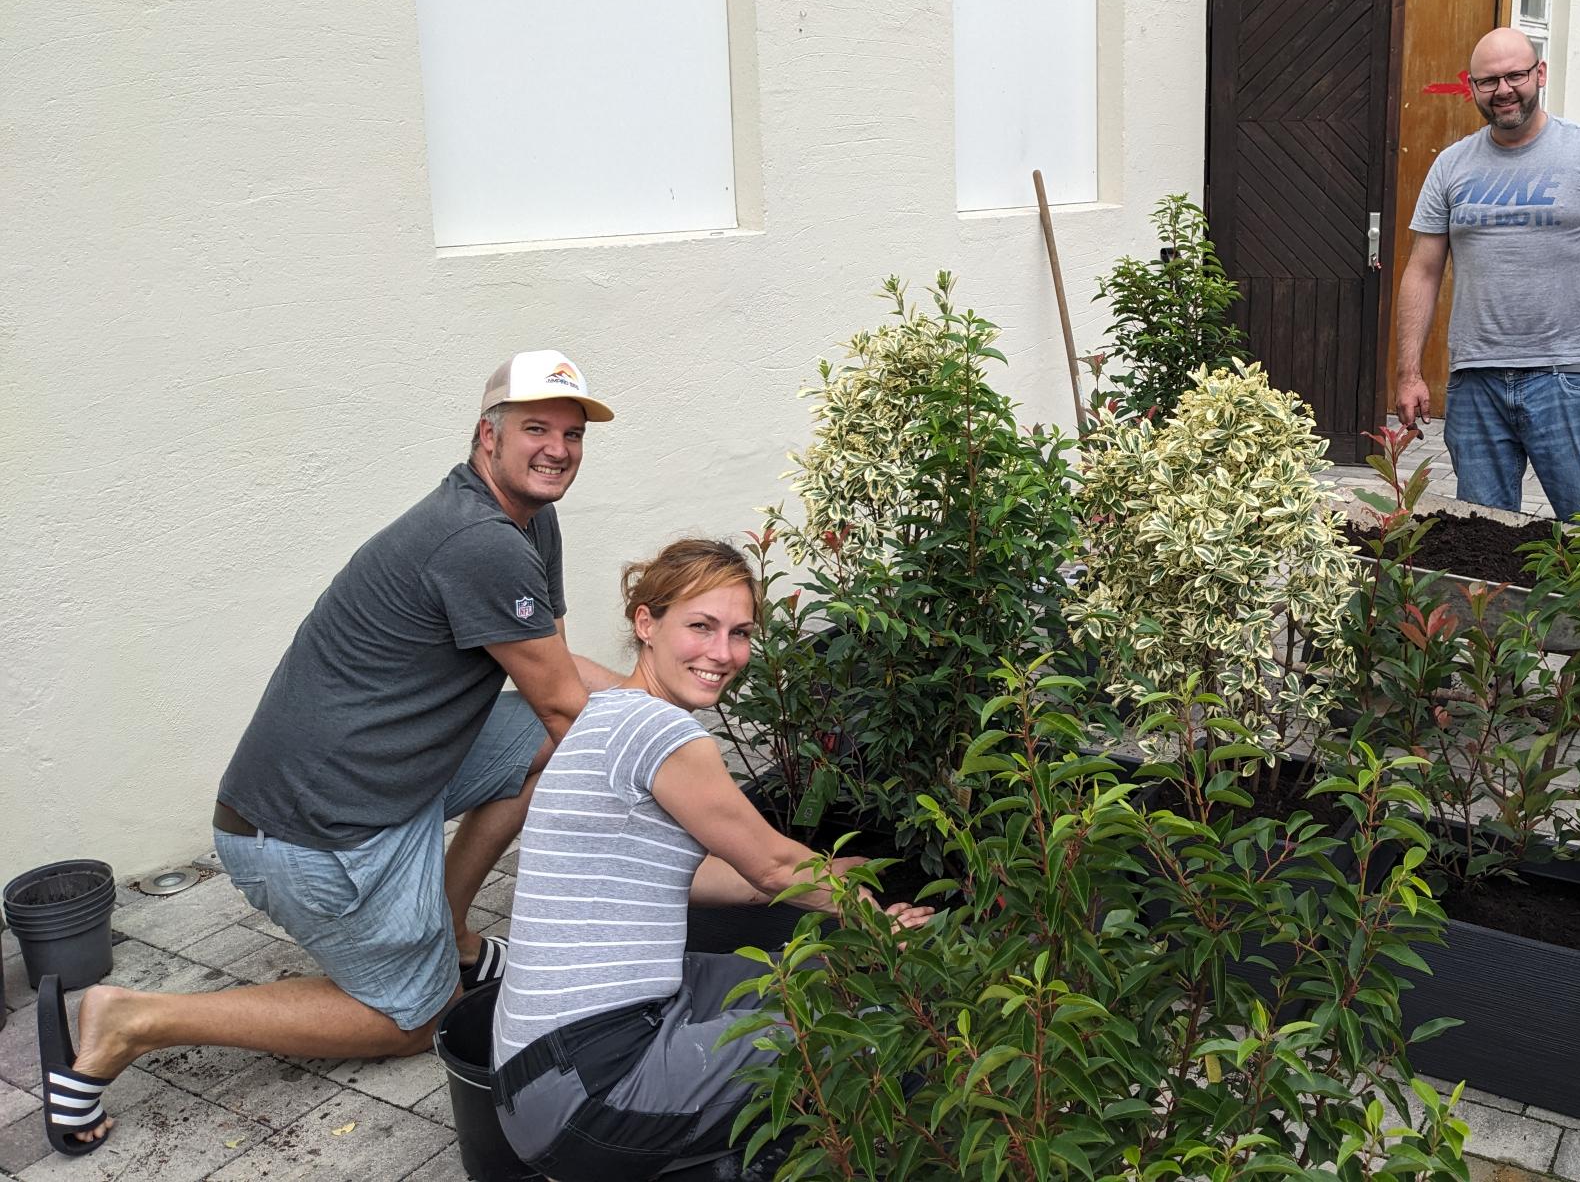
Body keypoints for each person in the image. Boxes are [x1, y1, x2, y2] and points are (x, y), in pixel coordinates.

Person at [38, 350, 621, 1158]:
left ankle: (445, 931)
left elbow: (554, 669)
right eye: (535, 429)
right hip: (314, 834)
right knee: (414, 1020)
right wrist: (661, 812)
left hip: (376, 777)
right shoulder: (475, 540)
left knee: (545, 746)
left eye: (571, 433)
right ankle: (133, 1018)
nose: (558, 449)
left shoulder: (530, 518)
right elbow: (565, 705)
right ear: (485, 437)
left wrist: (649, 701)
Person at [491, 539, 933, 1181]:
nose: (723, 654)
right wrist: (875, 918)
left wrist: (838, 876)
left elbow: (713, 878)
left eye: (740, 633)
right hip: (588, 1091)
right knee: (867, 1035)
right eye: (700, 626)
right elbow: (773, 869)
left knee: (812, 979)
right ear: (647, 624)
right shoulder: (661, 732)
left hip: (533, 1076)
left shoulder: (608, 713)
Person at [1393, 28, 1580, 519]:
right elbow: (1422, 272)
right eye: (1490, 81)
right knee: (1480, 542)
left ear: (1540, 74)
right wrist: (1409, 374)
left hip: (1573, 378)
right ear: (1471, 86)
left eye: (1516, 75)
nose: (1504, 90)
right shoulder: (1451, 166)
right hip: (1476, 384)